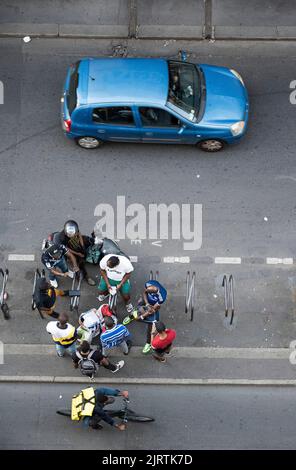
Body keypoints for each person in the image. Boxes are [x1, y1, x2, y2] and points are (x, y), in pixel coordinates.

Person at [123, 279, 167, 354]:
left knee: (151, 324)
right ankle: (131, 316)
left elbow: (153, 310)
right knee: (136, 309)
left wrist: (142, 317)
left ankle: (148, 343)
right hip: (146, 301)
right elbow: (144, 292)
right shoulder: (148, 284)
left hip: (154, 306)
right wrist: (146, 304)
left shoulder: (162, 296)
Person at [56, 220, 95, 286]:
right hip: (70, 250)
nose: (72, 235)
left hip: (76, 244)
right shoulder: (62, 238)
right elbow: (66, 249)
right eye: (70, 235)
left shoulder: (75, 229)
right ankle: (85, 276)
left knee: (90, 241)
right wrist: (77, 254)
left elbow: (79, 235)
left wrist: (82, 246)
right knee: (79, 261)